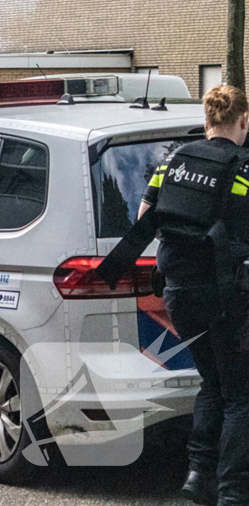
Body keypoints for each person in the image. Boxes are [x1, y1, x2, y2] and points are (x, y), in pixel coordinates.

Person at [138, 84, 249, 505]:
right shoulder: (243, 167)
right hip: (227, 298)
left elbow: (143, 217)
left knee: (213, 384)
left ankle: (197, 479)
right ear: (243, 121)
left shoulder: (172, 161)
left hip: (180, 297)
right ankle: (234, 492)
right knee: (240, 393)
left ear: (207, 122)